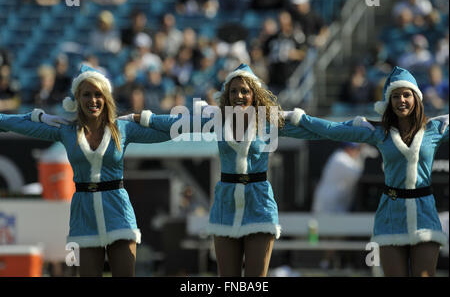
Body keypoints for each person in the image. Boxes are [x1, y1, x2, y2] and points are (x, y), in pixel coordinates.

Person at [117, 63, 376, 276]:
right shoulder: (216, 120)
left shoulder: (269, 120)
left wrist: (352, 127)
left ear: (254, 94)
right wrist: (138, 118)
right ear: (227, 96)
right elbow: (176, 123)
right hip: (226, 202)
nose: (239, 96)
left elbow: (314, 127)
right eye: (234, 91)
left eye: (245, 91)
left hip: (259, 202)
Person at [0, 64, 172, 277]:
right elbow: (16, 124)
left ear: (106, 97)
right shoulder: (66, 131)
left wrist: (145, 118)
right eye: (86, 95)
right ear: (76, 99)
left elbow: (173, 129)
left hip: (118, 210)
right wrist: (37, 117)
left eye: (98, 94)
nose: (93, 100)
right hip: (83, 215)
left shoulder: (123, 129)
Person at [294, 66, 449, 277]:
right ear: (388, 101)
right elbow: (331, 130)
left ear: (416, 98)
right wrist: (295, 119)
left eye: (406, 95)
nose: (401, 100)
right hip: (390, 215)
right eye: (395, 96)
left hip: (425, 215)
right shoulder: (378, 132)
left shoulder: (435, 129)